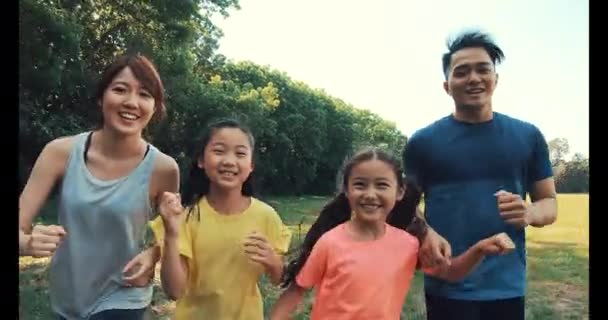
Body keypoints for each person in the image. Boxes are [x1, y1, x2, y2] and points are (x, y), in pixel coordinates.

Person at [403, 30, 558, 320]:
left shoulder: (528, 136)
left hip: (506, 285)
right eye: (461, 72)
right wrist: (425, 232)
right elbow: (404, 205)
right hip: (446, 281)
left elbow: (549, 202)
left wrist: (529, 212)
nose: (474, 78)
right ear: (447, 86)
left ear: (495, 79)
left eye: (483, 69)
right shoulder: (422, 142)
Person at [18, 54, 180, 320]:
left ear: (155, 107)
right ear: (101, 97)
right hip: (68, 297)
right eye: (120, 89)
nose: (131, 102)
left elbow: (174, 233)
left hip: (124, 296)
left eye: (145, 94)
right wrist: (27, 243)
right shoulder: (59, 152)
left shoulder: (164, 169)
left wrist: (154, 254)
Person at [270, 147, 515, 320]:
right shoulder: (330, 242)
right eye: (360, 184)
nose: (370, 193)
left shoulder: (408, 244)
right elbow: (297, 290)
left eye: (382, 185)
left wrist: (479, 249)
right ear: (346, 191)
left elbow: (450, 272)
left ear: (399, 193)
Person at [150, 118, 292, 320]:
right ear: (201, 160)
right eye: (219, 151)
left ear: (251, 165)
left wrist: (272, 261)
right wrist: (172, 233)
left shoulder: (266, 216)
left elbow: (280, 279)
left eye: (240, 153)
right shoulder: (185, 216)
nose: (229, 161)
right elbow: (174, 291)